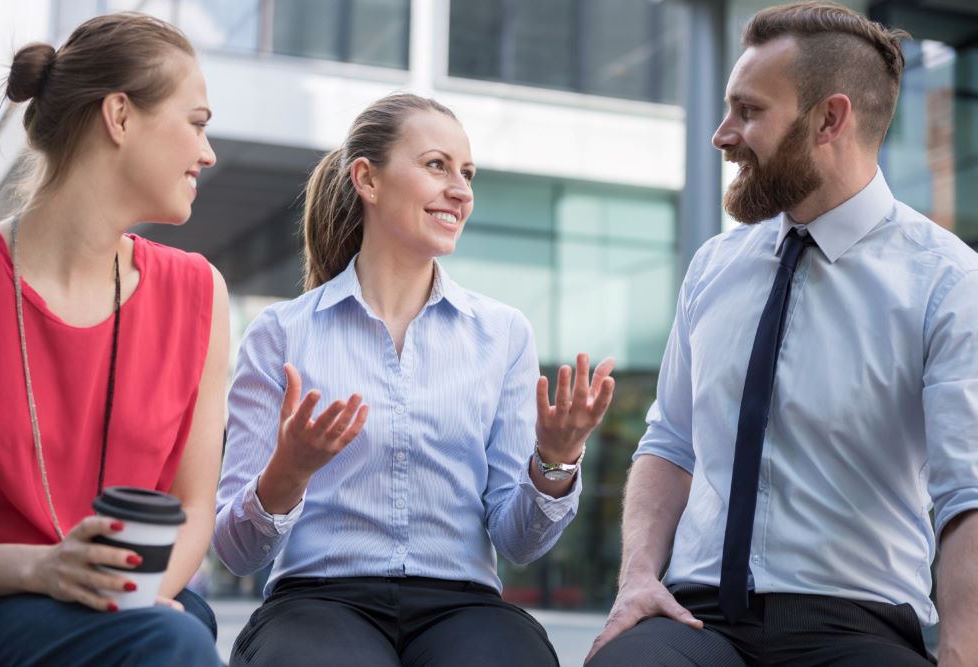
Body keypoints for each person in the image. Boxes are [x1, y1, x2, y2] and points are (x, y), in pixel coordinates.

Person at [586, 2, 978, 666]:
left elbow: (967, 493)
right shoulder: (714, 265)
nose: (722, 133)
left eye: (748, 111)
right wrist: (637, 579)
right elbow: (670, 441)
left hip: (855, 622)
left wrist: (964, 652)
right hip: (696, 612)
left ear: (830, 118)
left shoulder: (948, 280)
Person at [215, 92, 616, 666]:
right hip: (319, 601)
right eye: (437, 165)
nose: (461, 190)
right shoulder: (281, 333)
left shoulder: (503, 334)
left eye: (468, 173)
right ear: (368, 180)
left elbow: (519, 542)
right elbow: (237, 553)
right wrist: (290, 470)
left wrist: (556, 460)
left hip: (464, 605)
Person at [0, 13, 227, 666]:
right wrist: (40, 569)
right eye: (196, 122)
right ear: (120, 115)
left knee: (176, 631)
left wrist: (130, 595)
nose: (208, 152)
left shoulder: (201, 294)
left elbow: (196, 506)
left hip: (141, 607)